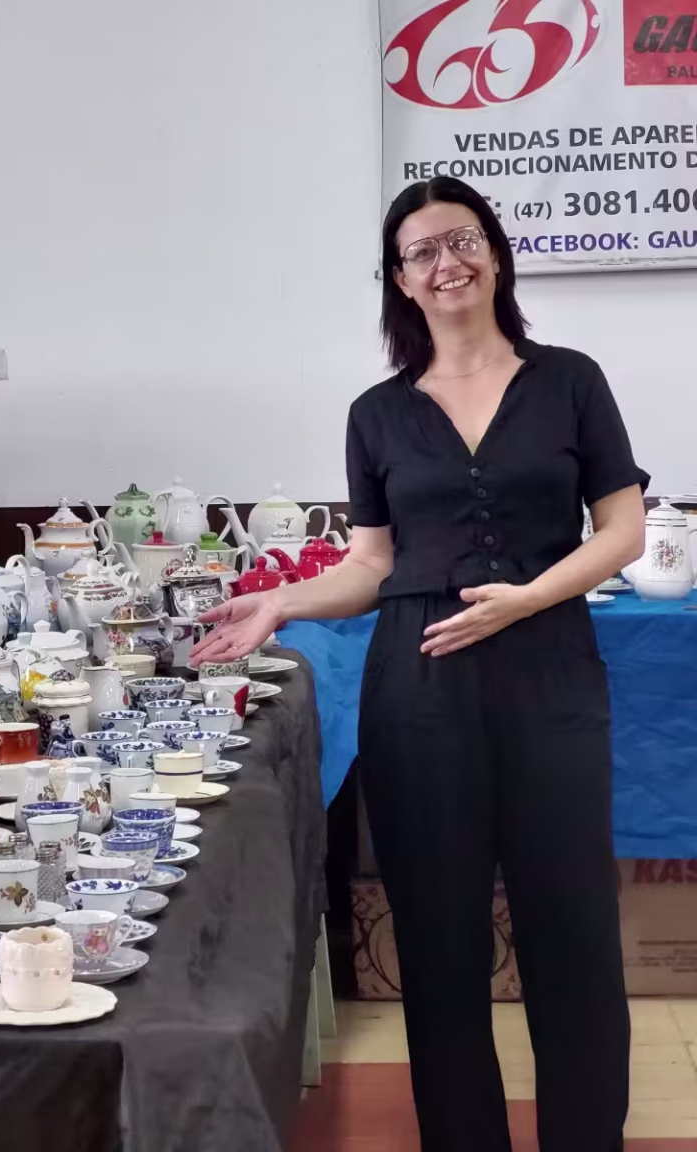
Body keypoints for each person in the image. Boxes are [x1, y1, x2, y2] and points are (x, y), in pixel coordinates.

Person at [190, 176, 648, 1152]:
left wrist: (527, 597)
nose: (448, 263)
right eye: (423, 251)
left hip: (551, 678)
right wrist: (281, 601)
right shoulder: (378, 413)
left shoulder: (571, 380)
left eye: (463, 240)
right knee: (438, 945)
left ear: (496, 253)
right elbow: (372, 564)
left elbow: (623, 530)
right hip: (420, 693)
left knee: (573, 933)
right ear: (400, 280)